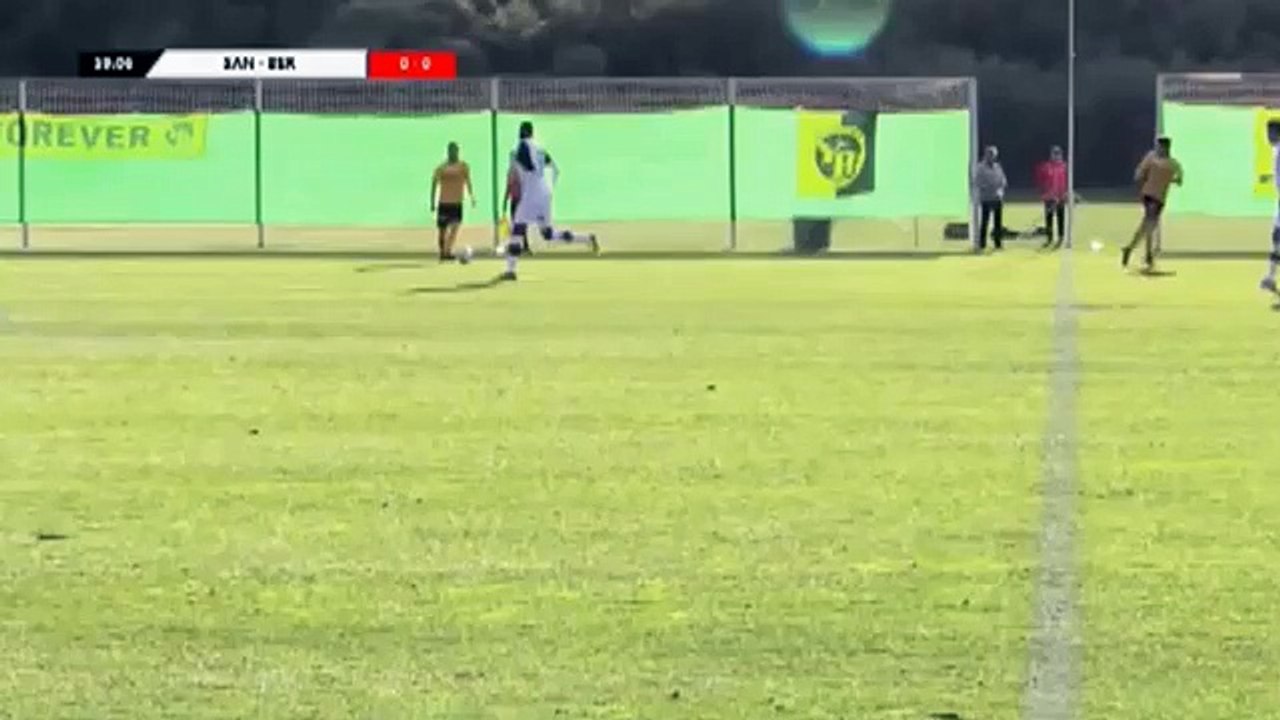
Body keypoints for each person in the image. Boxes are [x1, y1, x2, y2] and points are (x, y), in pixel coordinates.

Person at [503, 121, 600, 281]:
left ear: (522, 133)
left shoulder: (522, 146)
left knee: (517, 230)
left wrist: (518, 172)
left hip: (531, 194)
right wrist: (549, 189)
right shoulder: (541, 149)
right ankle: (586, 238)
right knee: (548, 234)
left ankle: (510, 270)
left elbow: (525, 167)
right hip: (545, 194)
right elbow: (555, 170)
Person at [1122, 136, 1182, 270]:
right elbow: (1140, 171)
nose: (1158, 149)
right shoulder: (1151, 157)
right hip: (1149, 195)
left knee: (1147, 226)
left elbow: (1179, 178)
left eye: (1160, 146)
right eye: (1157, 146)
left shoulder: (1172, 163)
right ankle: (1148, 255)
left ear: (1166, 147)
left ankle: (1129, 248)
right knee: (1149, 224)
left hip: (1160, 198)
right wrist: (1140, 176)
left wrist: (1172, 180)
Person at [429, 142, 475, 261]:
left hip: (456, 202)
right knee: (442, 230)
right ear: (447, 152)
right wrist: (432, 202)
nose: (453, 153)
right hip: (444, 202)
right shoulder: (441, 168)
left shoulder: (463, 166)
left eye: (455, 150)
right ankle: (443, 252)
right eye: (451, 150)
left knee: (455, 227)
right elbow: (434, 184)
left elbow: (468, 181)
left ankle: (447, 251)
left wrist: (471, 196)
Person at [973, 146, 1007, 251]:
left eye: (993, 154)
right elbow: (977, 182)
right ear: (986, 155)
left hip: (997, 198)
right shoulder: (980, 167)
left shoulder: (998, 167)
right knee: (985, 221)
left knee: (998, 222)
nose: (991, 156)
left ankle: (998, 243)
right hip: (986, 198)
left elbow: (1003, 180)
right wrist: (987, 187)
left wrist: (1001, 188)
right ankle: (982, 244)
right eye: (989, 154)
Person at [1034, 145, 1069, 249]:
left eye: (1058, 154)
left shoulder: (1064, 166)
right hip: (1049, 197)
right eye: (1054, 154)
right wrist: (1045, 193)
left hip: (1060, 196)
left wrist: (1065, 193)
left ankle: (1061, 237)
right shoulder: (1046, 166)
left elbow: (1065, 181)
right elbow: (1042, 181)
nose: (1056, 156)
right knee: (1049, 218)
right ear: (1051, 155)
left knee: (1060, 217)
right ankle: (1049, 238)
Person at [1260, 120, 1280, 295]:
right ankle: (1271, 277)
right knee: (1276, 239)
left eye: (1270, 132)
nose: (1267, 136)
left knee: (1277, 239)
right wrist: (1268, 178)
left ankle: (1271, 277)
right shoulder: (1276, 150)